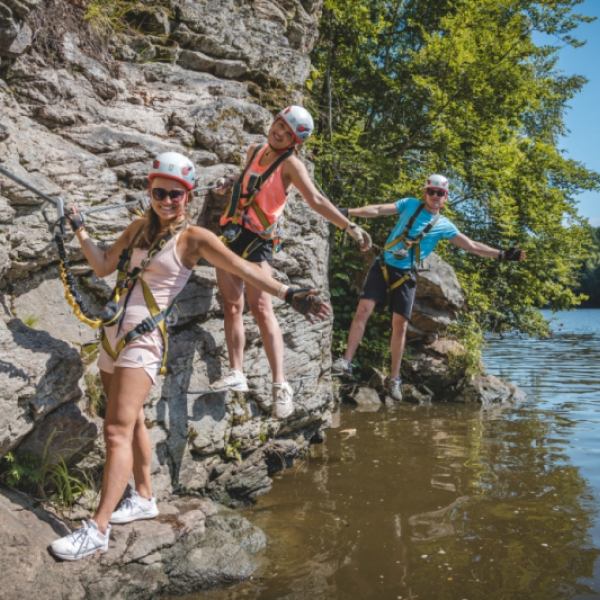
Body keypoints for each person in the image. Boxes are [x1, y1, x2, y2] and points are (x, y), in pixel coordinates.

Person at [50, 152, 329, 562]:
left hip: (143, 341)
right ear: (150, 191)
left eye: (175, 195)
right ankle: (144, 497)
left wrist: (289, 293)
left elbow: (244, 268)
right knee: (130, 420)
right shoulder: (137, 230)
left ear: (187, 196)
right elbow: (104, 265)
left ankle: (98, 529)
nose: (167, 201)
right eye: (159, 192)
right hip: (112, 335)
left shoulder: (194, 239)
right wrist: (79, 229)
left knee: (115, 432)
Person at [211, 105, 372, 418]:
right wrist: (232, 181)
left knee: (260, 306)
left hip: (258, 241)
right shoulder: (254, 150)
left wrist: (348, 226)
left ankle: (280, 384)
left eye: (287, 132)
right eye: (279, 125)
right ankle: (237, 372)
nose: (279, 132)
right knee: (232, 305)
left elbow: (316, 200)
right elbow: (249, 179)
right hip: (232, 233)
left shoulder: (292, 166)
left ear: (295, 143)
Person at [331, 174, 526, 400]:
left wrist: (502, 254)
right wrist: (347, 212)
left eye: (439, 193)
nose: (434, 196)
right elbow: (378, 210)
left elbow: (472, 246)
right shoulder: (409, 205)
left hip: (405, 275)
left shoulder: (444, 226)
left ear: (445, 198)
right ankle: (346, 362)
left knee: (400, 325)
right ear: (425, 193)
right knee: (363, 310)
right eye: (431, 191)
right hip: (383, 264)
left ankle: (394, 378)